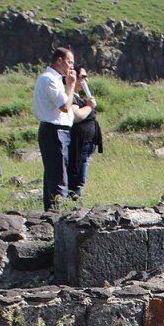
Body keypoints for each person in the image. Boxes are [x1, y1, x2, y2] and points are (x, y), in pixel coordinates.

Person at [32, 47, 95, 211]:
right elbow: (65, 106)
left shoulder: (55, 79)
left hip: (60, 131)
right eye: (69, 62)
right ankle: (57, 213)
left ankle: (53, 211)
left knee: (57, 173)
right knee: (59, 176)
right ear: (58, 60)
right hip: (55, 130)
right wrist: (71, 85)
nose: (71, 67)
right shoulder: (50, 79)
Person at [66, 66, 102, 201]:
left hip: (86, 143)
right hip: (79, 142)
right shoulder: (72, 98)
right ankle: (74, 205)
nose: (85, 80)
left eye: (86, 77)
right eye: (82, 76)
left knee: (79, 176)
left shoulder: (78, 97)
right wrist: (89, 106)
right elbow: (77, 116)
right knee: (77, 178)